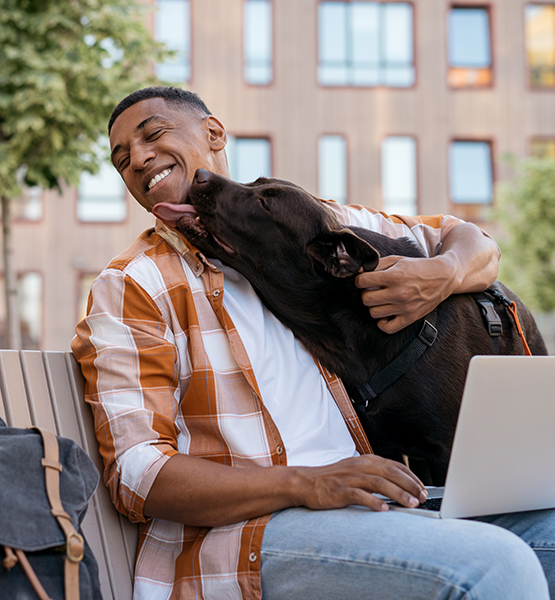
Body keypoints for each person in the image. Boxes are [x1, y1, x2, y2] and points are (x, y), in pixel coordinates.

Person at [72, 86, 555, 600]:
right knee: (492, 566)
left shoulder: (302, 221)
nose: (139, 159)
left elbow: (472, 241)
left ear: (213, 133)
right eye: (122, 160)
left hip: (370, 510)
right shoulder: (134, 285)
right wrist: (307, 482)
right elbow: (138, 475)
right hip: (249, 536)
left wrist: (445, 272)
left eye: (153, 134)